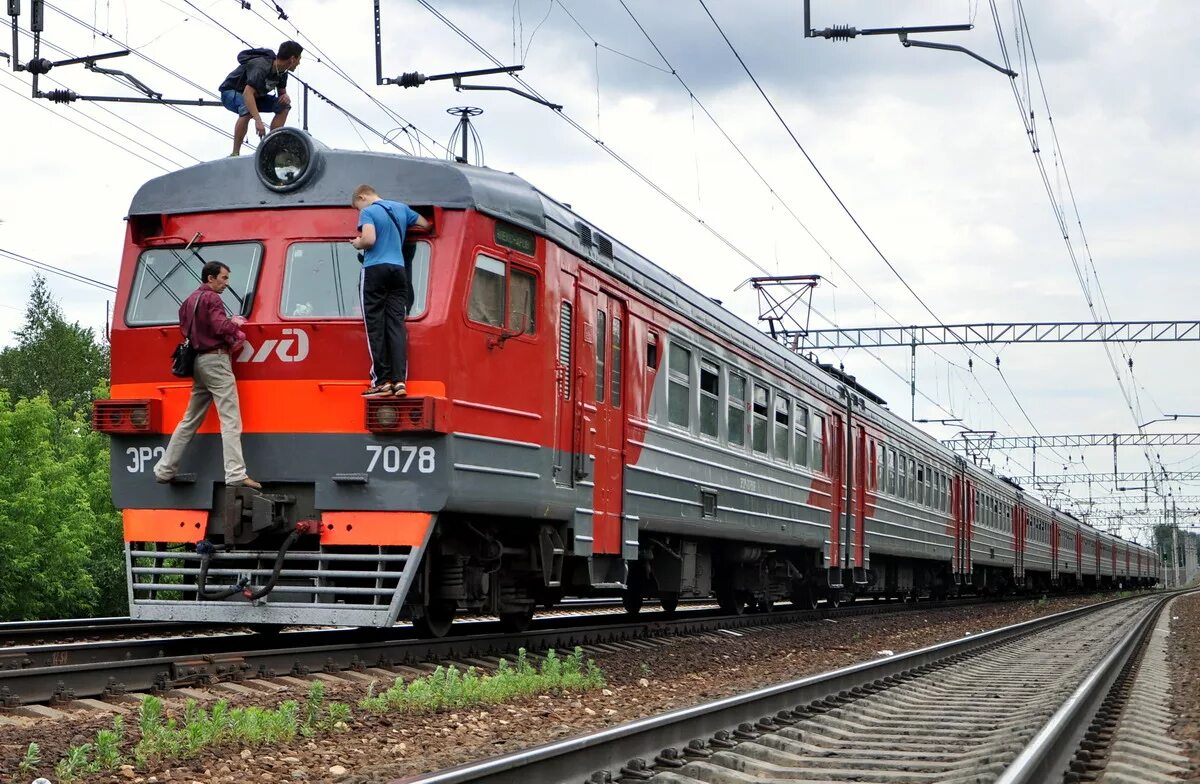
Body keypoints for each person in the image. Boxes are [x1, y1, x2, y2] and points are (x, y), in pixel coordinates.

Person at [154, 261, 261, 490]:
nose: (226, 283)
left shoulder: (188, 301)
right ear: (210, 278)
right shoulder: (212, 298)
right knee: (230, 419)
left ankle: (165, 469)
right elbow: (219, 324)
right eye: (223, 278)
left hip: (198, 363)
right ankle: (235, 474)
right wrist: (237, 329)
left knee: (189, 419)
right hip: (216, 361)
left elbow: (185, 328)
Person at [350, 184, 430, 397]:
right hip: (399, 271)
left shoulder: (368, 211)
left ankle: (382, 381)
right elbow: (426, 224)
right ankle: (399, 382)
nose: (359, 211)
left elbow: (369, 239)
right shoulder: (402, 208)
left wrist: (358, 243)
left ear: (362, 196)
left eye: (357, 207)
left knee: (374, 324)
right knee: (396, 325)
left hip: (375, 270)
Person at [218, 41, 303, 157]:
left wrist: (285, 97)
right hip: (231, 92)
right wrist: (258, 121)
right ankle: (235, 152)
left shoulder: (282, 73)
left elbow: (282, 94)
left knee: (284, 106)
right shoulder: (261, 66)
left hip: (255, 97)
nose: (299, 63)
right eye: (299, 59)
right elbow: (248, 93)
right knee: (247, 110)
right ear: (293, 59)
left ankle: (271, 146)